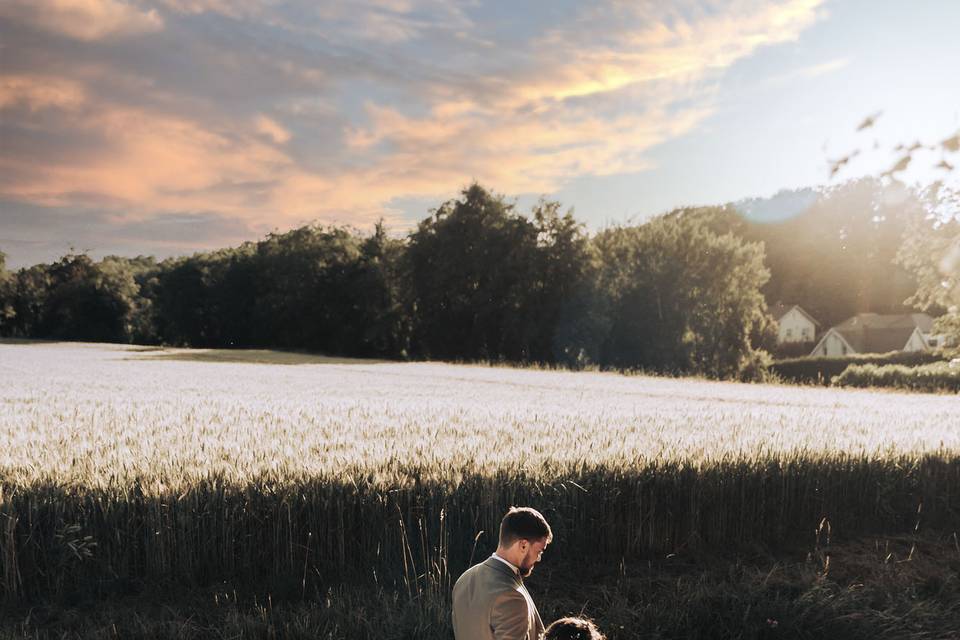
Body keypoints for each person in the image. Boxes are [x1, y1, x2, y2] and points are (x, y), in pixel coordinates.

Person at [452, 506, 553, 640]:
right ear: (523, 545)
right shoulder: (512, 596)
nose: (539, 558)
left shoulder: (465, 579)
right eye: (539, 551)